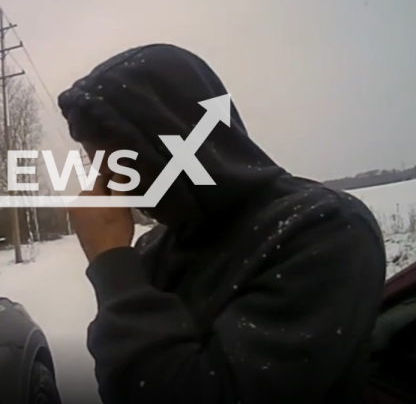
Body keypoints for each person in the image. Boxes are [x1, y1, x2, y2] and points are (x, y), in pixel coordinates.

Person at [58, 44, 386, 404]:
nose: (113, 185)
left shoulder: (324, 231)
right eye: (100, 168)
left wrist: (112, 263)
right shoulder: (155, 249)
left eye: (124, 164)